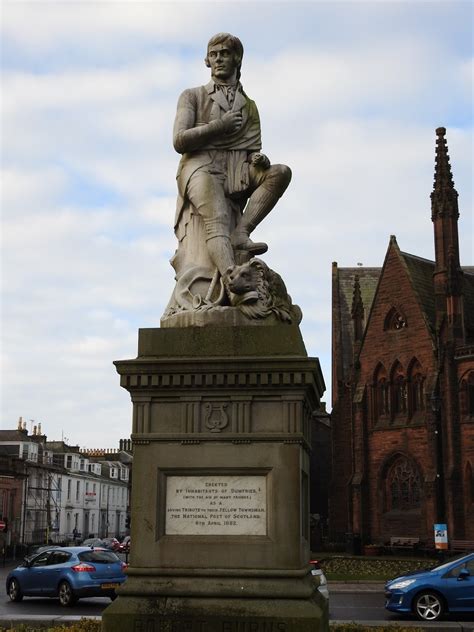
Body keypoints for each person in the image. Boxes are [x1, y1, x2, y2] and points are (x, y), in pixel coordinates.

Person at [172, 33, 291, 301]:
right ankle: (232, 278)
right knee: (217, 219)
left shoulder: (249, 106)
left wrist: (258, 162)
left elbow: (251, 149)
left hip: (236, 169)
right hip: (200, 166)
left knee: (280, 173)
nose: (218, 60)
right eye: (213, 55)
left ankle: (242, 233)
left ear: (237, 58)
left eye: (224, 54)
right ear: (207, 61)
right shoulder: (192, 96)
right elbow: (179, 141)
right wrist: (220, 127)